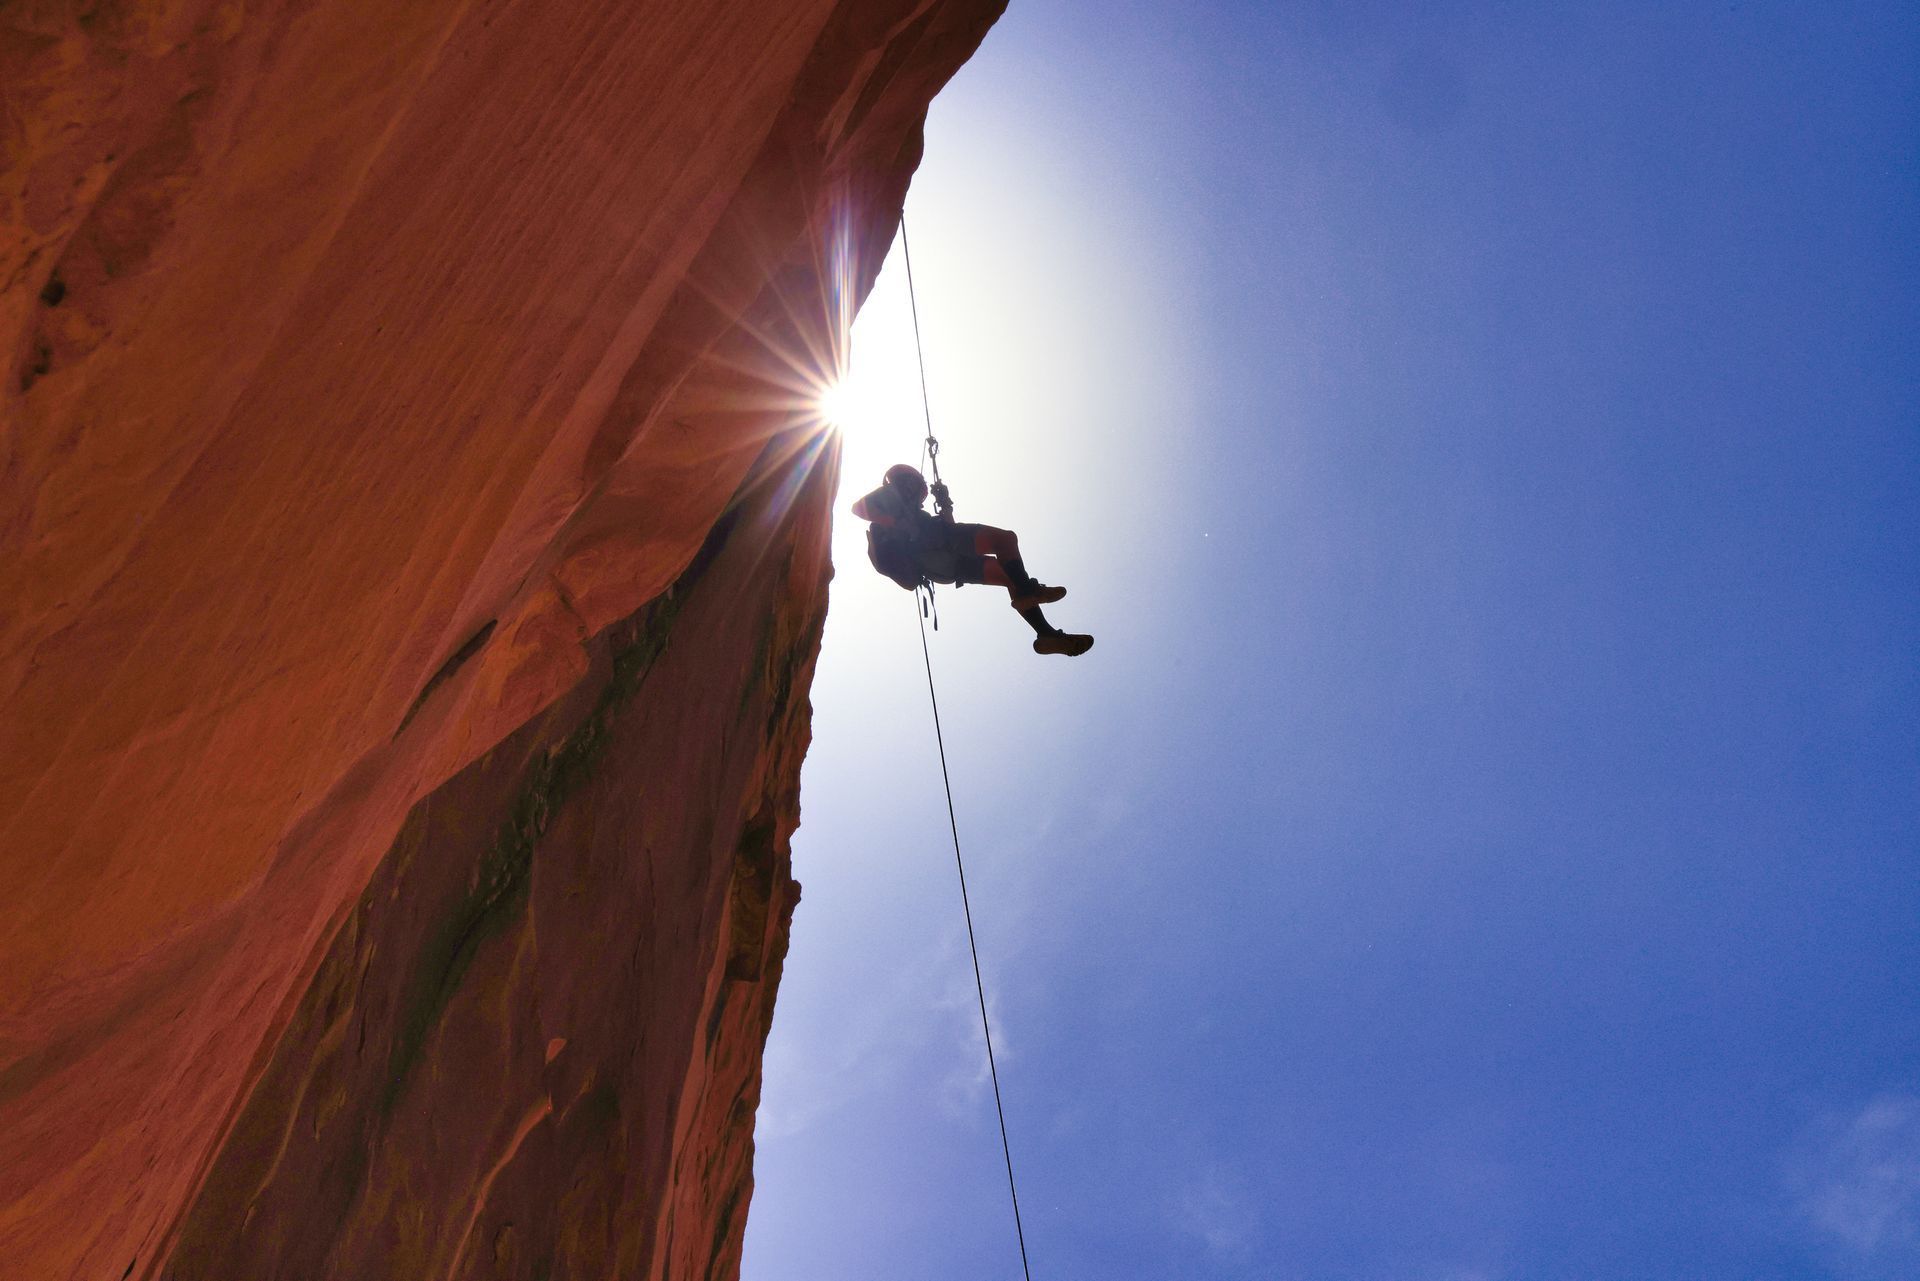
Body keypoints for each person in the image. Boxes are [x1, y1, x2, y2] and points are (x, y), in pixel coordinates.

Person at [852, 463, 1094, 657]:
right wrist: (899, 522)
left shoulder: (909, 510)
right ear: (905, 481)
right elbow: (859, 509)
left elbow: (947, 526)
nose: (915, 489)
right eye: (913, 483)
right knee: (1005, 541)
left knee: (1009, 575)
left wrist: (944, 503)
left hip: (945, 564)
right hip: (937, 543)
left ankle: (1046, 634)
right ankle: (1028, 591)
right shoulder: (891, 498)